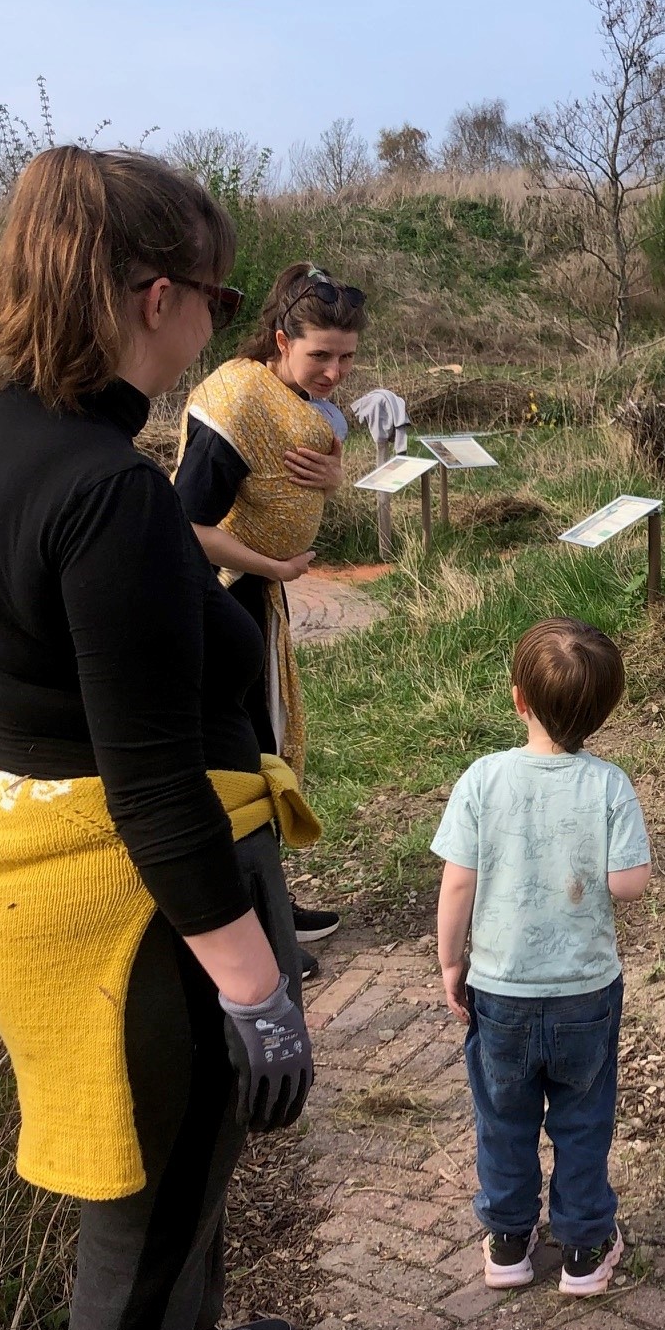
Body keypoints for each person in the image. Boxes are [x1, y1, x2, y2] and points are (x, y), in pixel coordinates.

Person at [0, 147, 316, 1330]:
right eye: (215, 290)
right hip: (130, 925)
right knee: (131, 1264)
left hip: (12, 879)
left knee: (150, 1223)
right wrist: (257, 991)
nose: (218, 319)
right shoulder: (105, 495)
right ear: (156, 297)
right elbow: (150, 787)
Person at [431, 619, 651, 1298]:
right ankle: (584, 1248)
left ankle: (508, 1240)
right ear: (605, 710)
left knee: (504, 1117)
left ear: (518, 698)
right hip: (586, 988)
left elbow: (458, 883)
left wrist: (449, 963)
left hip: (499, 987)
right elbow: (628, 885)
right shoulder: (610, 785)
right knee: (584, 1118)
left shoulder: (483, 778)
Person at [174, 263, 364, 962]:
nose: (335, 372)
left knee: (262, 751)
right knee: (236, 761)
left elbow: (292, 479)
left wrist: (335, 478)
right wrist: (277, 566)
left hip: (254, 599)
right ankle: (254, 931)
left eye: (347, 357)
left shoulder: (290, 402)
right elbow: (185, 522)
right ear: (280, 340)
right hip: (216, 597)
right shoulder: (240, 404)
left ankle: (269, 903)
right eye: (321, 355)